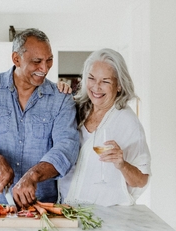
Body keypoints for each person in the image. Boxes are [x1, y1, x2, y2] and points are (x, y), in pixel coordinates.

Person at [0, 28, 80, 208]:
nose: (45, 68)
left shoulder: (61, 98)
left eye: (49, 60)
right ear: (16, 59)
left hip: (42, 207)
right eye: (37, 61)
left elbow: (66, 148)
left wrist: (33, 175)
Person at [58, 48, 151, 206]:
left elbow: (141, 180)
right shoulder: (75, 108)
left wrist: (122, 164)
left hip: (103, 215)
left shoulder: (127, 122)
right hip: (65, 208)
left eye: (105, 81)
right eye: (92, 78)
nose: (96, 87)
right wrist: (56, 93)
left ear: (119, 85)